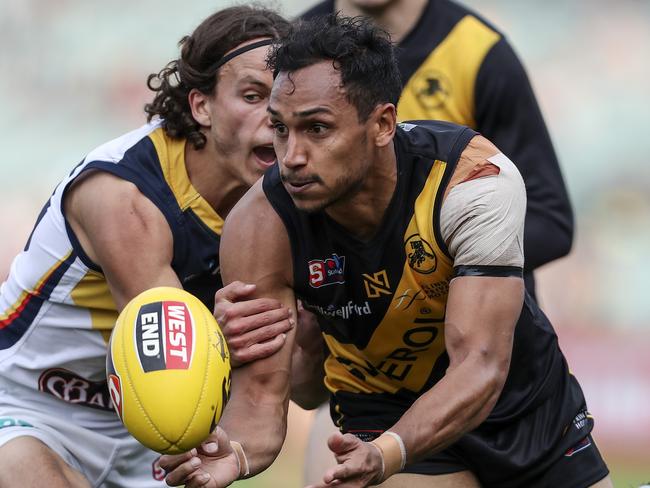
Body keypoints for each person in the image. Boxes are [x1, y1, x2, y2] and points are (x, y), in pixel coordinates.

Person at [160, 14, 611, 488]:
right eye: (280, 128)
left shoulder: (473, 180)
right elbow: (266, 398)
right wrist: (234, 452)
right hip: (380, 410)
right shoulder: (257, 225)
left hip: (522, 408)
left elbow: (480, 364)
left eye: (316, 129)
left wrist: (387, 452)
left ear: (382, 124)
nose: (290, 156)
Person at [0, 6, 292, 487]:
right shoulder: (123, 195)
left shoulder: (288, 197)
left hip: (147, 434)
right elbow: (167, 370)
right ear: (201, 106)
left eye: (282, 98)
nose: (273, 117)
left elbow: (277, 382)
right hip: (35, 408)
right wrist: (221, 335)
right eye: (253, 96)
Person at [298, 1, 576, 481]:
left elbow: (552, 217)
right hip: (365, 366)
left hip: (486, 358)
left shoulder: (477, 52)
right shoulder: (298, 45)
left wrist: (451, 262)